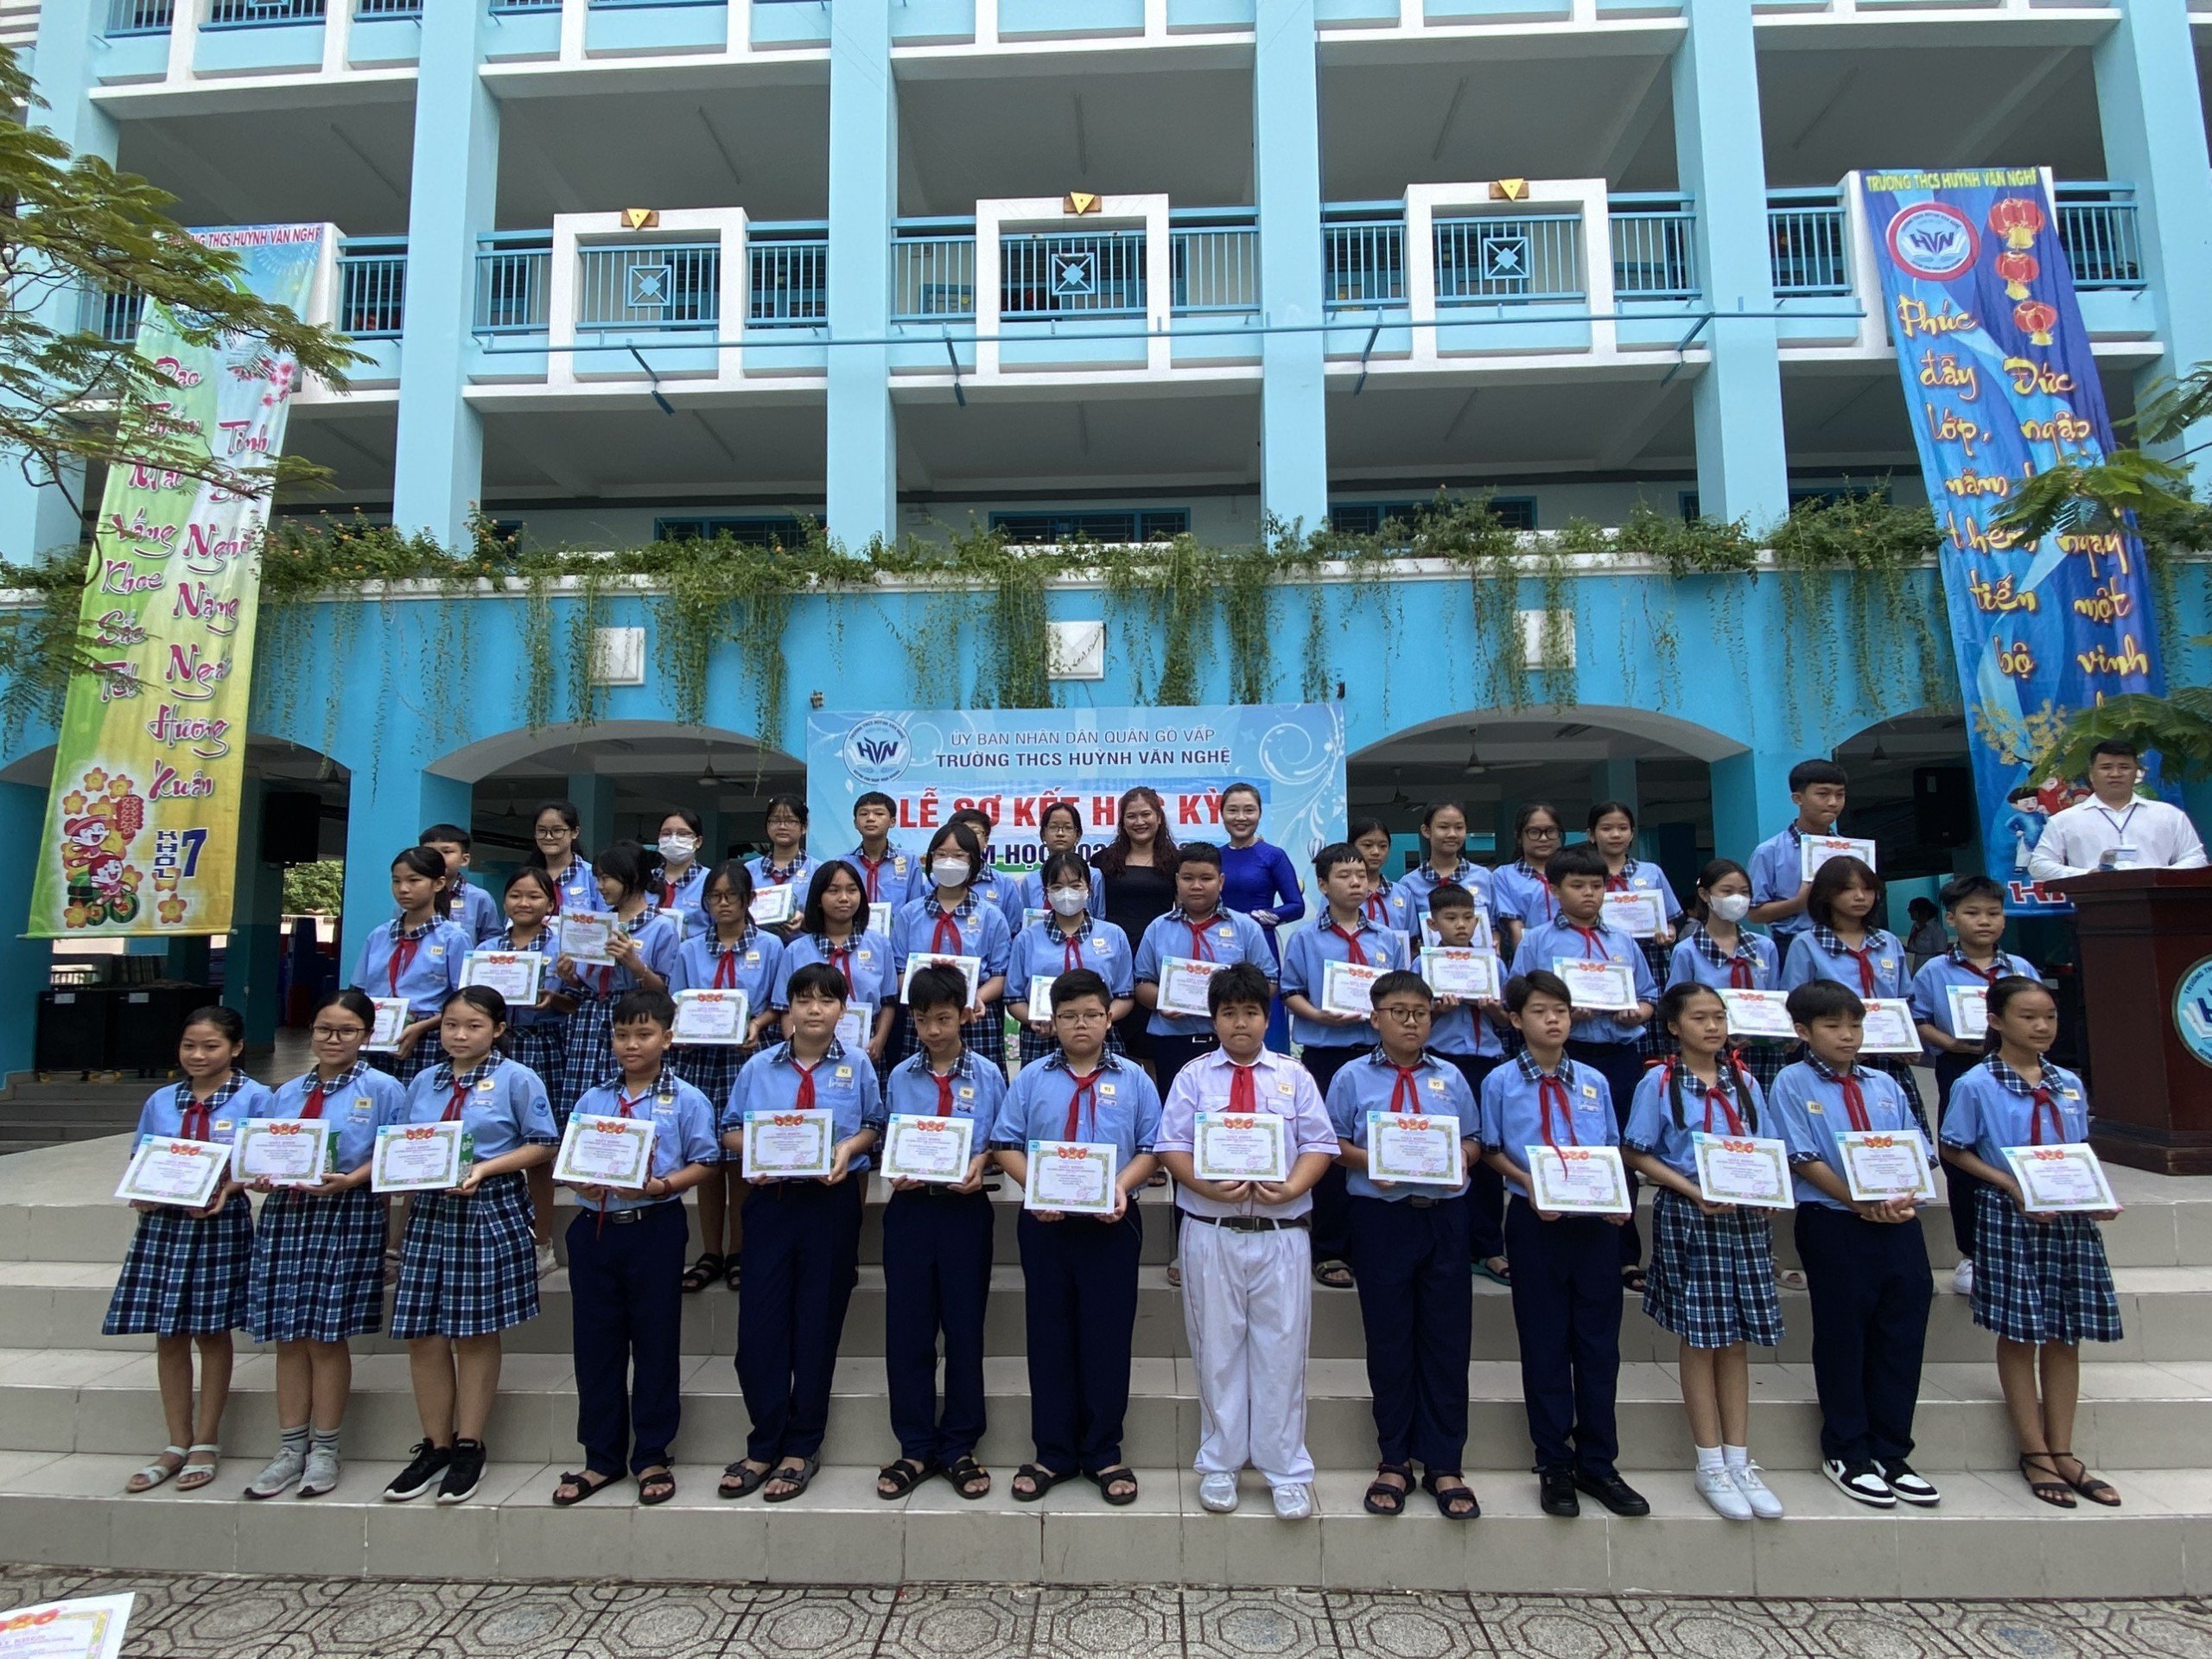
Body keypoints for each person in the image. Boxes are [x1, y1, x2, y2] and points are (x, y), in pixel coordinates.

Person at [1155, 961, 1335, 1520]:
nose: (1240, 1023)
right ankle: (1220, 1462)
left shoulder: (1293, 1077)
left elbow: (1319, 1145)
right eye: (1229, 1013)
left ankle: (1285, 1469)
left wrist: (1292, 1188)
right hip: (1212, 1230)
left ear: (1267, 1017)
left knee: (1282, 1352)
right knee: (1217, 1351)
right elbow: (1171, 1146)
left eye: (1251, 1013)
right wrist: (1204, 1184)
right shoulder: (1193, 1078)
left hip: (1281, 1233)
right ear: (1213, 1019)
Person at [1939, 976, 2125, 1510]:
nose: (2042, 1026)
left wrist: (2096, 1195)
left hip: (2068, 1217)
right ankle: (2034, 1449)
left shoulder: (2067, 1082)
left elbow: (2078, 1149)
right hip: (2009, 1213)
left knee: (2066, 1330)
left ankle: (2063, 1448)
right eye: (2028, 1017)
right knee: (2021, 1330)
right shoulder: (1977, 1084)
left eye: (2049, 1016)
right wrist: (2011, 1186)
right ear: (1995, 1021)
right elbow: (1954, 1148)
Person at [989, 969, 1162, 1508]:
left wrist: (1121, 1188)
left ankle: (1104, 1451)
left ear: (1109, 1017)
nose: (1081, 1024)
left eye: (1091, 1014)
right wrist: (1036, 1188)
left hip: (1114, 1223)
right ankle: (1053, 1451)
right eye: (1069, 1016)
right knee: (1049, 1334)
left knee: (1107, 1336)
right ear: (1053, 1022)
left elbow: (1152, 1149)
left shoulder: (1135, 1080)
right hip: (1047, 1224)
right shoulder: (1031, 1079)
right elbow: (1005, 1143)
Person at [1765, 980, 1941, 1510]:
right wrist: (1858, 1201)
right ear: (1803, 1031)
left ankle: (1892, 1450)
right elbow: (1800, 1155)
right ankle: (1847, 1450)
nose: (1847, 1036)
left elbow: (1917, 1149)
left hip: (1898, 1221)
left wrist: (1904, 1197)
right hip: (1834, 1221)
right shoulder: (1791, 1082)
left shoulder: (1884, 1082)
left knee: (1902, 1330)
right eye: (1833, 1026)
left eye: (1855, 1025)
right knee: (1844, 1334)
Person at [1479, 972, 1647, 1520]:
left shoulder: (1594, 1080)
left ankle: (1599, 1462)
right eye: (1539, 1011)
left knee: (1599, 1347)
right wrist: (1529, 1184)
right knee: (1545, 1343)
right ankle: (1553, 1461)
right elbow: (1492, 1150)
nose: (1553, 1020)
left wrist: (1618, 1201)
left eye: (1561, 1011)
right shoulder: (1501, 1082)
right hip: (1536, 1222)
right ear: (1515, 1019)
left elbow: (1611, 1150)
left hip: (1595, 1226)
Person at [384, 987, 558, 1505]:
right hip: (430, 1212)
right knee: (422, 1332)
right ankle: (434, 1445)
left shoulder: (517, 1078)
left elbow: (542, 1144)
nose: (459, 1035)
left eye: (473, 1026)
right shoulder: (424, 1080)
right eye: (451, 1025)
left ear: (498, 1030)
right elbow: (405, 1143)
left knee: (475, 1330)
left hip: (488, 1208)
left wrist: (484, 1167)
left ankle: (469, 1444)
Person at [717, 963, 883, 1503]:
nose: (815, 1009)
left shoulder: (857, 1064)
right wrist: (757, 1153)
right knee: (758, 1331)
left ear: (843, 1009)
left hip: (830, 1204)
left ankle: (802, 1445)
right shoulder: (758, 1066)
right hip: (771, 1202)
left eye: (827, 1000)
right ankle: (763, 1442)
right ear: (787, 1008)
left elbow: (873, 1125)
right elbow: (730, 1129)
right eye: (804, 999)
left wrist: (848, 1149)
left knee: (817, 1325)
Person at [1623, 983, 1786, 1521]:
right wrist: (1693, 1191)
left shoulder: (1745, 1081)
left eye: (1719, 1017)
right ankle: (1709, 1461)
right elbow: (1638, 1152)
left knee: (1735, 1338)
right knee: (1701, 1336)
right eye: (1699, 1018)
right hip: (1692, 1214)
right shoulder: (1659, 1082)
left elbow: (1765, 1147)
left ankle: (1739, 1459)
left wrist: (1769, 1191)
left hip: (1743, 1219)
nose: (1713, 1027)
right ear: (1674, 1026)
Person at [551, 988, 719, 1509]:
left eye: (644, 1034)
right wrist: (580, 1180)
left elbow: (706, 1161)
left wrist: (663, 1186)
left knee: (655, 1341)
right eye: (622, 1035)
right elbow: (569, 1159)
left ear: (667, 1038)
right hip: (594, 1228)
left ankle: (651, 1454)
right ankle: (600, 1456)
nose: (631, 1044)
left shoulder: (688, 1099)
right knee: (595, 1345)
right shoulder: (593, 1099)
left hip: (655, 1226)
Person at [239, 990, 410, 1500]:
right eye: (323, 1030)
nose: (333, 1040)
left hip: (347, 1213)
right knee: (288, 1336)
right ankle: (290, 1449)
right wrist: (260, 1176)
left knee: (326, 1335)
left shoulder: (384, 1089)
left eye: (347, 1031)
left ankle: (326, 1450)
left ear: (367, 1035)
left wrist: (352, 1178)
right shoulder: (286, 1092)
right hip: (287, 1216)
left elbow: (397, 1155)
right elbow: (264, 1151)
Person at [1327, 970, 1483, 1521]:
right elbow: (1332, 1143)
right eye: (1399, 1012)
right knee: (1389, 1339)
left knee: (1447, 1341)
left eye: (1420, 1012)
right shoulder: (1350, 1077)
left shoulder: (1452, 1077)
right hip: (1381, 1218)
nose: (1411, 1022)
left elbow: (1473, 1140)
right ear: (1375, 1018)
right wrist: (1373, 1161)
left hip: (1444, 1218)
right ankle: (1394, 1458)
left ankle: (1445, 1462)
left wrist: (1460, 1157)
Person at [110, 1006, 272, 1496]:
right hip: (164, 1224)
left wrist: (230, 1186)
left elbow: (265, 1163)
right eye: (189, 1046)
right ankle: (175, 1442)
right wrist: (141, 1191)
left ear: (236, 1048)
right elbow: (141, 1156)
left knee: (211, 1330)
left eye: (211, 1046)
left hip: (220, 1224)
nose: (198, 1055)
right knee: (169, 1333)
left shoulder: (256, 1098)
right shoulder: (162, 1099)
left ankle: (206, 1440)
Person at [874, 964, 1008, 1503]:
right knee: (907, 1331)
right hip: (910, 1211)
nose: (934, 1030)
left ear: (965, 1015)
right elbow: (889, 1136)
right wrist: (894, 1167)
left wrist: (982, 1162)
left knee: (964, 1328)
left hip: (964, 1212)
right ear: (913, 1019)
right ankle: (914, 1444)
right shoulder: (900, 1076)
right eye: (924, 1019)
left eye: (944, 1019)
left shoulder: (989, 1075)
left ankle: (958, 1444)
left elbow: (1000, 1141)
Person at [1510, 842, 1657, 1287]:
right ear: (1555, 890)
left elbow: (1649, 996)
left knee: (1618, 1150)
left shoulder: (1622, 941)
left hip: (1618, 1056)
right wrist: (1566, 1013)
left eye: (1596, 885)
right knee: (1561, 1141)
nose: (1589, 893)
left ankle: (1623, 1252)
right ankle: (1559, 1234)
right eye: (1578, 885)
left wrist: (1637, 1013)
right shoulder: (1537, 940)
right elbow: (1518, 996)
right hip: (1563, 1056)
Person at [1281, 842, 1409, 1292]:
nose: (1356, 883)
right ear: (1322, 885)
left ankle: (1374, 1243)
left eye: (1361, 875)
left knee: (1379, 1143)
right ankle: (1331, 1246)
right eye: (1344, 876)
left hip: (1378, 1056)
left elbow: (1403, 994)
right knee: (1328, 1149)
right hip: (1327, 1055)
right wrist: (1318, 1015)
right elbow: (1290, 991)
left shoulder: (1388, 938)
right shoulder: (1305, 938)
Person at [1909, 874, 2039, 1300]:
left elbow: (2040, 1015)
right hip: (1960, 1067)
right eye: (1972, 913)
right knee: (1962, 1153)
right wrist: (1949, 1043)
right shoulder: (1934, 970)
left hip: (2018, 1070)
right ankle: (1971, 1254)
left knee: (2017, 1147)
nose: (1985, 921)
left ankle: (2027, 1239)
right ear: (1951, 919)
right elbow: (1918, 1020)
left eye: (1993, 913)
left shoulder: (2020, 968)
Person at [669, 859, 784, 1296]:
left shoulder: (771, 946)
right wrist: (681, 1033)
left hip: (748, 1059)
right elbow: (678, 1004)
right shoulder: (689, 949)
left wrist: (757, 1024)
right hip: (700, 1062)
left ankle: (739, 1250)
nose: (722, 904)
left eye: (730, 896)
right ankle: (710, 1252)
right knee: (707, 1159)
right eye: (714, 897)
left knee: (741, 1157)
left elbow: (777, 1003)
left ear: (749, 899)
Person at [1780, 855, 1923, 1122]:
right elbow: (1795, 1004)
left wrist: (1909, 1039)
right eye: (1847, 889)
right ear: (1826, 894)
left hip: (1889, 1057)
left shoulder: (1888, 942)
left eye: (1868, 889)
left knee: (1896, 1127)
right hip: (1831, 1057)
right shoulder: (1807, 943)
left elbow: (1905, 999)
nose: (1860, 896)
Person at [551, 842, 681, 1133]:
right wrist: (569, 976)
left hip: (633, 1017)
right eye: (597, 878)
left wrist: (634, 964)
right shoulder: (595, 924)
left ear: (631, 877)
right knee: (583, 1099)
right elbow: (585, 983)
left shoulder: (660, 926)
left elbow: (665, 991)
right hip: (589, 1020)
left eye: (606, 878)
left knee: (625, 1094)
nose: (600, 886)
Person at [1130, 841, 1274, 1096]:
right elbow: (1141, 983)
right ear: (1177, 881)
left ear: (1221, 881)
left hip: (1230, 1040)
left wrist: (1233, 1001)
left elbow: (1270, 982)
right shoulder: (1158, 928)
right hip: (1172, 1042)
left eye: (1206, 878)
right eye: (1188, 878)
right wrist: (1164, 1001)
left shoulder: (1245, 928)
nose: (1196, 886)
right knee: (1177, 1112)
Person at [1423, 881, 1511, 1286]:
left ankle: (1489, 1246)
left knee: (1487, 1151)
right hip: (1441, 1064)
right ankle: (1448, 1245)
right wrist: (1438, 1010)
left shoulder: (1493, 965)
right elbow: (1412, 1019)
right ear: (1433, 924)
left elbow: (1509, 1021)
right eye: (1450, 918)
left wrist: (1493, 1010)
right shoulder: (1423, 965)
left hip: (1486, 1064)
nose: (1460, 925)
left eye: (1467, 918)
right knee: (1444, 1149)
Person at [492, 868, 579, 1270]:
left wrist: (554, 998)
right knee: (497, 1138)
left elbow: (578, 1001)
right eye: (515, 895)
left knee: (540, 1147)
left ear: (550, 903)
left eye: (534, 896)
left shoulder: (564, 947)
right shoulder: (487, 947)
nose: (523, 903)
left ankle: (542, 1242)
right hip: (495, 1049)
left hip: (544, 1045)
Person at [889, 821, 1013, 1066]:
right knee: (920, 1081)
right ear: (931, 859)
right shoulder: (910, 914)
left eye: (958, 856)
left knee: (980, 1082)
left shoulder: (991, 916)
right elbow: (899, 970)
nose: (949, 862)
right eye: (941, 855)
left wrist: (975, 998)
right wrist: (922, 998)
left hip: (975, 1014)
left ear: (973, 862)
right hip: (924, 1015)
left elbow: (1000, 974)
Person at [352, 846, 470, 1086]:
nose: (403, 889)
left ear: (438, 884)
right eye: (396, 881)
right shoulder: (379, 935)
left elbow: (466, 1001)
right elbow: (358, 990)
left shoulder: (453, 938)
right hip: (375, 1036)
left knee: (419, 1102)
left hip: (428, 1039)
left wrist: (420, 1028)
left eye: (414, 881)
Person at [1007, 849, 1134, 1065]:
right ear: (1046, 892)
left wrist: (1100, 1020)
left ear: (1089, 889)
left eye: (1075, 886)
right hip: (1042, 1038)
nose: (1067, 893)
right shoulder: (1026, 939)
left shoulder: (1114, 935)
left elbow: (1125, 995)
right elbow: (1014, 998)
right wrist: (1034, 1019)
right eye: (1057, 887)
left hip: (1101, 1038)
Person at [1666, 858, 1784, 1085]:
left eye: (1744, 892)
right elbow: (1676, 1005)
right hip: (1709, 1052)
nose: (1737, 899)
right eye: (1727, 891)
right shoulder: (1687, 951)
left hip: (1762, 1053)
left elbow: (1775, 998)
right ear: (1705, 895)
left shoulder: (1764, 947)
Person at [2030, 738, 2207, 880]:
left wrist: (2159, 875)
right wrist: (2087, 875)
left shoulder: (2168, 815)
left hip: (2159, 904)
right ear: (2091, 773)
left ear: (2136, 772)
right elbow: (2039, 865)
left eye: (2124, 767)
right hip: (2095, 904)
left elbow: (2196, 858)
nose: (2115, 774)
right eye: (2106, 767)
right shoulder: (2065, 820)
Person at [779, 858, 898, 1065]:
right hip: (808, 1049)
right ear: (818, 898)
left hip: (866, 1049)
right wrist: (796, 1049)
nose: (844, 898)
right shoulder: (796, 951)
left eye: (852, 890)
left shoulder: (880, 945)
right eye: (833, 891)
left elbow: (888, 1001)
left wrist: (880, 1040)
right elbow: (784, 1007)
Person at [1219, 781, 1308, 1050]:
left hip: (1262, 943)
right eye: (1233, 810)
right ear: (1221, 814)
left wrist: (1267, 916)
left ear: (1259, 813)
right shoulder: (1216, 856)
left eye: (1249, 810)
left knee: (1261, 1006)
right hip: (1220, 942)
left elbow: (1296, 905)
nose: (1241, 817)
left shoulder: (1274, 856)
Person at [1586, 800, 1679, 1056]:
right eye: (1606, 828)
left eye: (1623, 828)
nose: (1616, 835)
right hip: (1603, 960)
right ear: (1591, 834)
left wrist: (1669, 933)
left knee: (1654, 1028)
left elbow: (1670, 920)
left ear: (1632, 833)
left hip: (1650, 959)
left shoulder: (1651, 872)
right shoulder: (1585, 876)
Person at [1096, 785, 1180, 1066]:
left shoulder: (1176, 861)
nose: (1139, 822)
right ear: (1122, 822)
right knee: (1118, 1038)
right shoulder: (1104, 861)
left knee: (1153, 1045)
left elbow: (1184, 912)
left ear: (1159, 817)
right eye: (1131, 816)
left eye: (1146, 814)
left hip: (1157, 957)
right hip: (1113, 956)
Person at [1747, 760, 1850, 969]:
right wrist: (1799, 903)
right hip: (1791, 943)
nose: (1833, 802)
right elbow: (1755, 914)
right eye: (1823, 794)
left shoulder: (1850, 851)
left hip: (1847, 940)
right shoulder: (1769, 851)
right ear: (1798, 798)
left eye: (1840, 795)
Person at [1390, 800, 1494, 942]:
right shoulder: (1408, 884)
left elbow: (1495, 927)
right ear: (1426, 831)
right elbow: (1409, 936)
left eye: (1459, 827)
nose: (1452, 834)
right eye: (1443, 827)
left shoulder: (1484, 877)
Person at [1489, 802, 1565, 963]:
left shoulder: (1572, 872)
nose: (1543, 838)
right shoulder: (1504, 876)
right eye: (1534, 832)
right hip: (1528, 959)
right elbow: (1515, 928)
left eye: (1551, 831)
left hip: (1573, 958)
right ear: (1519, 836)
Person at [837, 789, 919, 920]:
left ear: (892, 821)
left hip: (896, 933)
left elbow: (916, 907)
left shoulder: (909, 861)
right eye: (864, 814)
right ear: (855, 823)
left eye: (879, 813)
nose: (870, 818)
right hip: (853, 931)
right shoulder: (843, 863)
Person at [1015, 800, 1106, 916]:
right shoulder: (1030, 881)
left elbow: (1099, 917)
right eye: (1053, 827)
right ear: (1043, 834)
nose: (1060, 833)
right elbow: (1024, 921)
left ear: (1078, 835)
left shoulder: (1094, 876)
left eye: (1068, 827)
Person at [747, 794, 817, 943]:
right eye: (775, 821)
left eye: (790, 821)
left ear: (804, 827)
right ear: (767, 826)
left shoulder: (818, 870)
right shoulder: (748, 871)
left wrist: (804, 921)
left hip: (802, 949)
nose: (782, 826)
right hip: (757, 949)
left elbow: (829, 919)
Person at [420, 823, 501, 945]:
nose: (438, 857)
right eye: (430, 852)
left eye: (446, 851)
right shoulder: (412, 894)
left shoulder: (480, 898)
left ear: (464, 859)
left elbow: (492, 939)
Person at [525, 798, 599, 914]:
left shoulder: (593, 876)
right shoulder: (526, 878)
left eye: (557, 830)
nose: (548, 837)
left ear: (575, 832)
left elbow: (609, 921)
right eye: (542, 830)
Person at [1349, 816, 1415, 937]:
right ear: (1351, 847)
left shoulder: (1403, 894)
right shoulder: (1338, 892)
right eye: (1367, 845)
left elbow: (1412, 939)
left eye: (1383, 846)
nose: (1376, 852)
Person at [650, 808, 709, 939]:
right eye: (666, 833)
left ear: (698, 841)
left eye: (683, 834)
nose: (673, 839)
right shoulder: (643, 880)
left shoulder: (711, 881)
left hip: (694, 951)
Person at [1903, 897, 1946, 976]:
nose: (1910, 913)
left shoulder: (1936, 930)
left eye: (1913, 910)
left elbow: (1940, 953)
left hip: (1929, 965)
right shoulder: (1915, 927)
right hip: (1917, 964)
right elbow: (1915, 947)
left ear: (1922, 911)